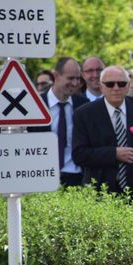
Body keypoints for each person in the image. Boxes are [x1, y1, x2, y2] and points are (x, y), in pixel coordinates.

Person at [72, 66, 133, 196]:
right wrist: (114, 154)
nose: (116, 88)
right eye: (110, 84)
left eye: (121, 84)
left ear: (129, 86)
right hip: (100, 191)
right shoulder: (84, 113)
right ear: (101, 87)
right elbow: (79, 154)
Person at [32, 57, 90, 187]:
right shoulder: (36, 105)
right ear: (56, 76)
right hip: (42, 178)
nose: (75, 83)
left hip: (77, 179)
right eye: (70, 78)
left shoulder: (84, 105)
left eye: (78, 79)